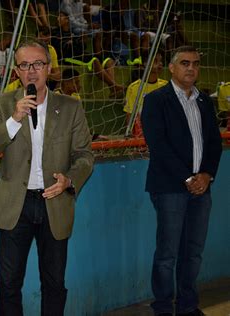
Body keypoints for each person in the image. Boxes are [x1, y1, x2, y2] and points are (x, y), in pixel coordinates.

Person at [0, 39, 94, 315]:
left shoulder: (70, 107)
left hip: (53, 203)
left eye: (38, 64)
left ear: (49, 68)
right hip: (14, 207)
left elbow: (85, 156)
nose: (31, 70)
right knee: (8, 284)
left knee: (54, 283)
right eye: (24, 65)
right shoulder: (4, 103)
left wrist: (70, 180)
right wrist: (14, 119)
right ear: (16, 70)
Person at [141, 46, 223, 316]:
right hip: (169, 188)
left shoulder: (204, 101)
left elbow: (214, 143)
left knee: (193, 252)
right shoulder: (156, 100)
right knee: (167, 254)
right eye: (185, 63)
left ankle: (188, 306)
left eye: (196, 64)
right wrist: (189, 178)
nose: (191, 68)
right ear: (172, 69)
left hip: (202, 187)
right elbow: (159, 146)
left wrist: (206, 175)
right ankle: (163, 308)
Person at [51, 10, 125, 98]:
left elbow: (81, 47)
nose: (58, 19)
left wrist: (80, 41)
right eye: (58, 17)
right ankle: (113, 86)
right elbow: (63, 48)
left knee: (109, 61)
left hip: (79, 54)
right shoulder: (55, 33)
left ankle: (113, 90)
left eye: (61, 17)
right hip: (68, 57)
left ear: (67, 20)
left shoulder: (72, 32)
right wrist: (74, 43)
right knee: (95, 61)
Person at [124, 51, 167, 137]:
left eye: (161, 61)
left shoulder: (166, 85)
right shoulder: (134, 87)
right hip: (142, 133)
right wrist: (130, 134)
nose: (160, 64)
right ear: (145, 64)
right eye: (155, 61)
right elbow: (130, 114)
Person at [4, 27, 60, 93]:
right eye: (25, 65)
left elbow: (58, 76)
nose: (32, 71)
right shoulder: (24, 50)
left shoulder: (51, 50)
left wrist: (43, 74)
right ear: (36, 38)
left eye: (38, 64)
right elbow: (13, 75)